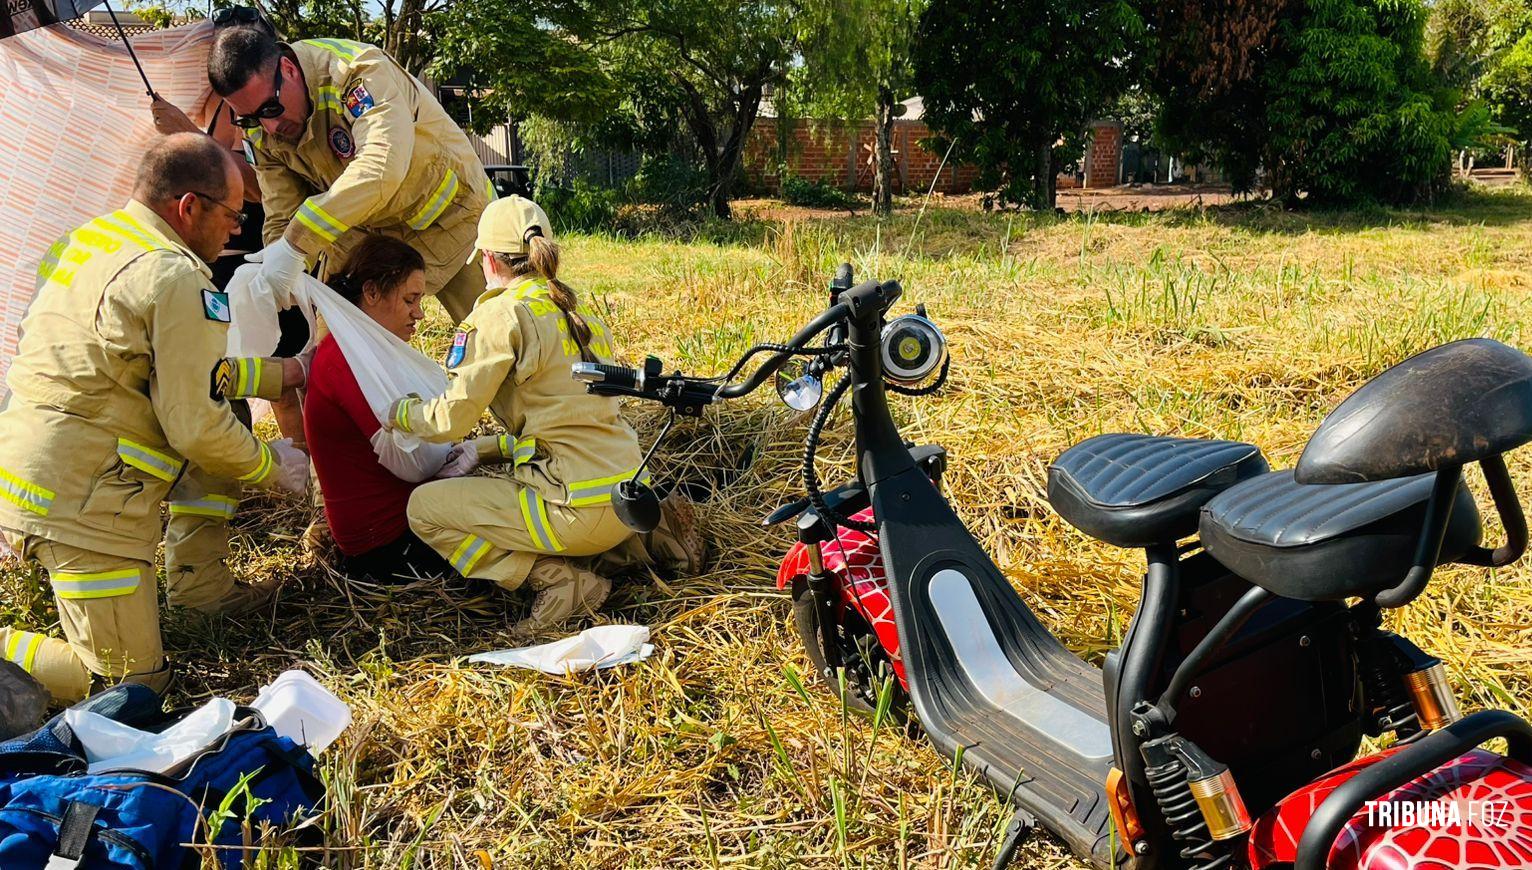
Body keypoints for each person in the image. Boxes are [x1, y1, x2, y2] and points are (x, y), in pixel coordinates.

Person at [0, 133, 309, 704]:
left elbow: (149, 365)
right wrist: (273, 466)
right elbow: (193, 423)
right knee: (125, 692)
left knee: (224, 422)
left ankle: (202, 586)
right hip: (85, 508)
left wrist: (278, 374)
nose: (236, 230)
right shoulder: (176, 277)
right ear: (188, 207)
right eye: (231, 215)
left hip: (28, 467)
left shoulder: (86, 240)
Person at [389, 196, 705, 639]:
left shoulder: (499, 315)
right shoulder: (579, 310)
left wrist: (400, 412)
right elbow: (563, 420)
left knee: (423, 509)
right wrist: (483, 452)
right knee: (579, 526)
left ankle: (562, 583)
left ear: (487, 259)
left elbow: (447, 421)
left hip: (570, 508)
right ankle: (653, 540)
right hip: (629, 497)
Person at [206, 27, 494, 325]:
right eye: (251, 118)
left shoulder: (357, 71)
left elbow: (381, 169)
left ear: (288, 69)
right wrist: (280, 262)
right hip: (363, 238)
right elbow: (281, 210)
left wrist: (295, 244)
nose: (270, 126)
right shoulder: (260, 128)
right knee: (336, 350)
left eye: (271, 107)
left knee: (494, 339)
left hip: (452, 223)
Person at [302, 234, 452, 581]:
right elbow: (412, 463)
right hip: (385, 548)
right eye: (410, 299)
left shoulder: (365, 351)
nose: (420, 314)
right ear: (371, 293)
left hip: (399, 528)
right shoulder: (346, 361)